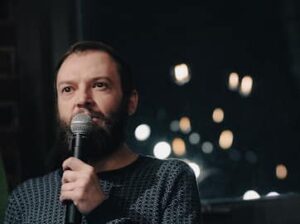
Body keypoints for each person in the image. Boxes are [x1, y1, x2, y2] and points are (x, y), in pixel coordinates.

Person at [4, 41, 201, 223]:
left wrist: (101, 210)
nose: (82, 99)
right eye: (67, 89)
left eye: (99, 85)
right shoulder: (26, 198)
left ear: (131, 102)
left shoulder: (170, 180)